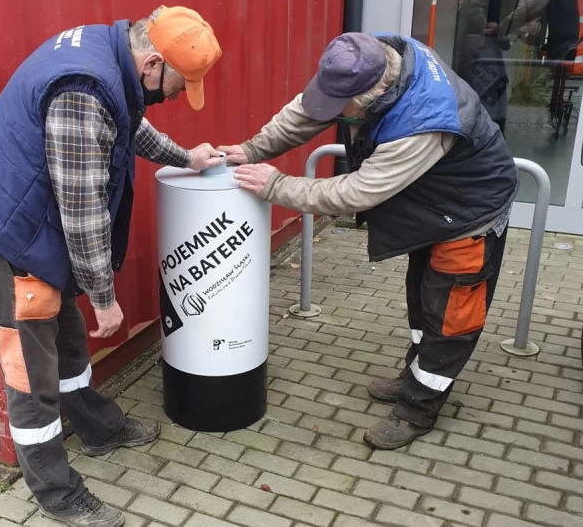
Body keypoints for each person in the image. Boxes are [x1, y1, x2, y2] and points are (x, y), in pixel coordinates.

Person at [0, 6, 223, 527]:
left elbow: (127, 126)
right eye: (177, 86)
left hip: (34, 232)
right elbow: (83, 205)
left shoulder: (111, 54)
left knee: (69, 343)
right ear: (153, 63)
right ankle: (57, 493)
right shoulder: (82, 89)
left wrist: (187, 157)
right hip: (5, 241)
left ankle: (98, 429)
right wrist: (105, 296)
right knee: (32, 378)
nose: (175, 97)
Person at [221, 32, 517, 451]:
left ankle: (418, 407)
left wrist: (278, 185)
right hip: (434, 207)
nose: (335, 113)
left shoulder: (425, 122)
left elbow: (357, 192)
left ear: (372, 95)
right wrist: (251, 150)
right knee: (422, 298)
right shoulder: (370, 60)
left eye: (343, 106)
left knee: (450, 318)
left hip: (470, 215)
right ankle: (411, 377)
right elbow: (307, 113)